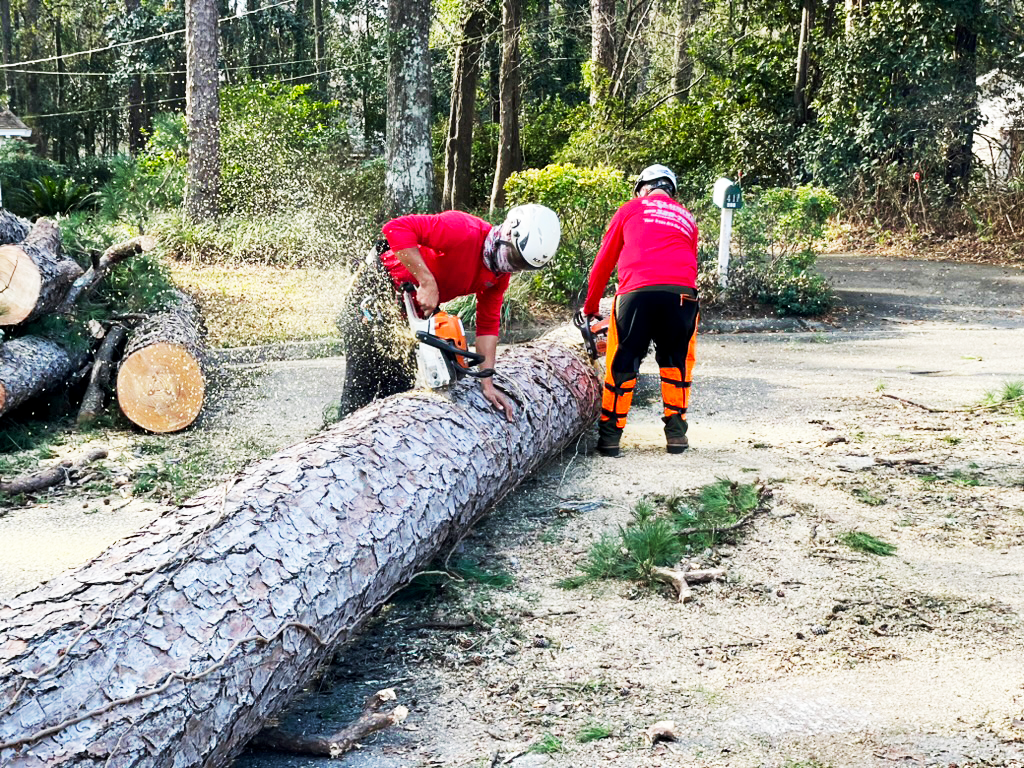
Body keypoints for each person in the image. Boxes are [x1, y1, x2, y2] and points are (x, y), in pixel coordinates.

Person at [336, 204, 561, 420]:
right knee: (362, 382)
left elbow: (487, 325)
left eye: (522, 265)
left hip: (411, 311)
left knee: (398, 387)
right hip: (377, 289)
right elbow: (395, 228)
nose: (511, 267)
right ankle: (338, 444)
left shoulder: (498, 276)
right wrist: (426, 281)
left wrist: (487, 383)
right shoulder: (463, 230)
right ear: (509, 232)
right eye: (514, 258)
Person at [582, 164, 699, 457]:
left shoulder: (631, 208)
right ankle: (676, 436)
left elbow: (604, 261)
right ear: (670, 190)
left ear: (643, 188)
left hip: (637, 293)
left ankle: (609, 439)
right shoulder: (687, 217)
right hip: (682, 296)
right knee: (677, 363)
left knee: (623, 361)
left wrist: (591, 307)